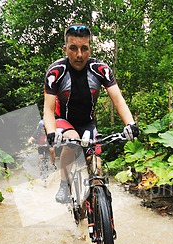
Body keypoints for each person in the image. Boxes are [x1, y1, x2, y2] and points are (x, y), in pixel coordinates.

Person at [43, 23, 139, 203]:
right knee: (71, 143)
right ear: (65, 49)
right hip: (63, 121)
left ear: (90, 49)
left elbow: (118, 100)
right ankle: (64, 184)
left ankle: (98, 203)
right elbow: (48, 110)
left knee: (96, 166)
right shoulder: (56, 71)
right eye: (73, 48)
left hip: (88, 123)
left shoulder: (100, 69)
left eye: (84, 48)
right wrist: (50, 132)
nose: (79, 55)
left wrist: (130, 124)